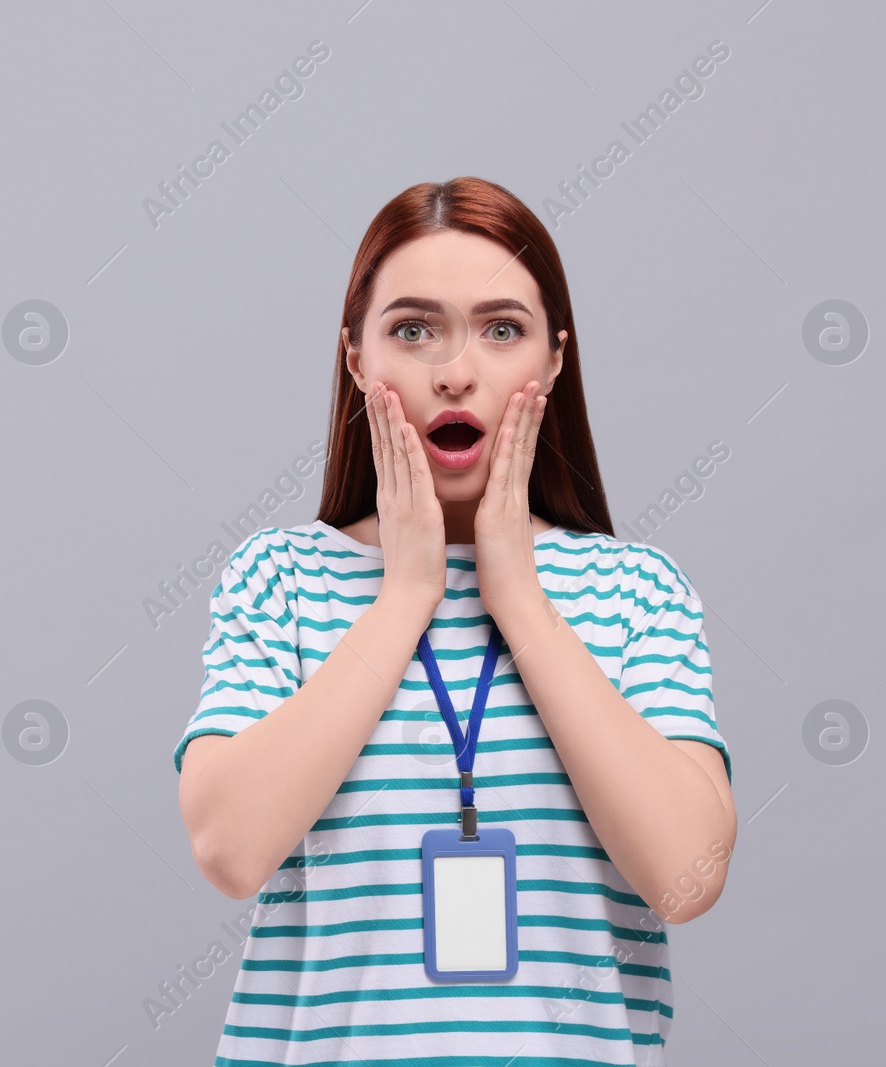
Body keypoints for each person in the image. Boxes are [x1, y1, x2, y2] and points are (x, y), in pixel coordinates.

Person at [173, 176, 735, 1066]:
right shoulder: (277, 581)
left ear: (553, 359)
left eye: (502, 329)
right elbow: (230, 848)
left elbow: (686, 875)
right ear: (357, 359)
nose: (456, 370)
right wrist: (406, 596)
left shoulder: (638, 593)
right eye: (412, 328)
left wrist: (517, 593)